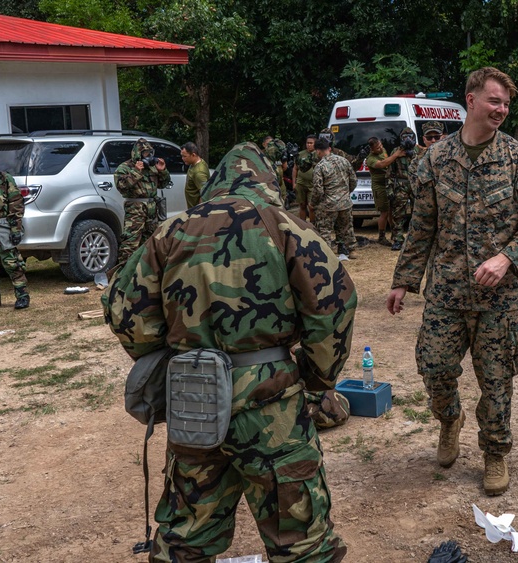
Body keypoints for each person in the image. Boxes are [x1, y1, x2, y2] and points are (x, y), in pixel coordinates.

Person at [103, 141, 355, 562]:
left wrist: (170, 359)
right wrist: (315, 377)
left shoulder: (171, 231)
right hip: (271, 401)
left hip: (193, 394)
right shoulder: (286, 226)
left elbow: (125, 311)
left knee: (188, 532)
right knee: (301, 537)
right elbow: (334, 306)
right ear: (267, 182)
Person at [386, 66, 518, 496]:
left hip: (500, 296)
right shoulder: (435, 159)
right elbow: (421, 227)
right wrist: (403, 280)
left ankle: (495, 452)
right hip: (447, 291)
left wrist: (506, 258)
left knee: (496, 381)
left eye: (506, 104)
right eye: (495, 101)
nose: (502, 110)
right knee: (435, 367)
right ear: (471, 100)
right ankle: (449, 420)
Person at [0, 146, 29, 310]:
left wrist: (15, 229)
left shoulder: (3, 179)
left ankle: (22, 295)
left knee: (12, 263)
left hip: (1, 225)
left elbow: (16, 204)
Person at [115, 138, 170, 271]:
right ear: (138, 154)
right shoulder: (124, 168)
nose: (148, 156)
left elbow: (164, 184)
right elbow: (122, 186)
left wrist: (162, 171)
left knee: (152, 239)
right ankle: (124, 272)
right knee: (131, 241)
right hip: (136, 209)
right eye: (145, 154)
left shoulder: (152, 167)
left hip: (152, 207)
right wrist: (136, 172)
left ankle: (147, 270)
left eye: (150, 153)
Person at [311, 137, 359, 258]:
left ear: (317, 151)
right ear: (329, 148)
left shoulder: (320, 166)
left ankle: (326, 253)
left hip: (328, 204)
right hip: (345, 202)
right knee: (347, 227)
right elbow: (353, 180)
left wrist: (314, 203)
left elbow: (318, 189)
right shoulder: (344, 161)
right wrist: (346, 192)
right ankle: (352, 250)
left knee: (325, 230)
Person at [387, 127, 423, 250]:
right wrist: (390, 189)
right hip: (401, 185)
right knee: (398, 213)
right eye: (404, 137)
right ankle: (398, 239)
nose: (407, 139)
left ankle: (416, 239)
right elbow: (390, 172)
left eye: (410, 136)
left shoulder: (419, 150)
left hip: (416, 185)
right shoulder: (396, 152)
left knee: (417, 212)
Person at [365, 136, 401, 246]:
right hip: (379, 187)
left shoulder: (383, 150)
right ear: (372, 149)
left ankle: (394, 233)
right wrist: (396, 155)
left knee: (391, 210)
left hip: (388, 185)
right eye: (377, 148)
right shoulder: (370, 158)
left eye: (381, 145)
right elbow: (383, 164)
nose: (380, 149)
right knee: (384, 212)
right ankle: (381, 237)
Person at [294, 134, 319, 223]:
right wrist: (294, 183)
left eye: (311, 143)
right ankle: (302, 224)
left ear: (315, 144)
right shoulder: (301, 154)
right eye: (307, 143)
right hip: (301, 183)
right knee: (302, 205)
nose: (309, 145)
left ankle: (312, 225)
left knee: (311, 206)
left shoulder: (318, 154)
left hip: (313, 184)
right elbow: (295, 168)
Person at [180, 142, 209, 209]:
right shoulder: (193, 164)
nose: (182, 158)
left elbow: (204, 194)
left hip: (196, 212)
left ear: (193, 155)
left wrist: (198, 211)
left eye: (184, 156)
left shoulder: (199, 172)